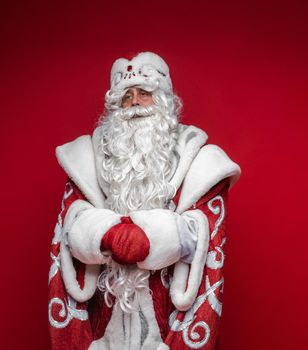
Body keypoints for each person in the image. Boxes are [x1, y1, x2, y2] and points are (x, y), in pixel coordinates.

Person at [48, 51, 241, 350]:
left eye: (144, 94)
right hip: (106, 318)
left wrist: (153, 238)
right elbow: (71, 219)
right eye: (126, 97)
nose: (134, 103)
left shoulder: (200, 160)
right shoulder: (88, 157)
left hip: (167, 316)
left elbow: (207, 229)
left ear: (164, 100)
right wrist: (104, 233)